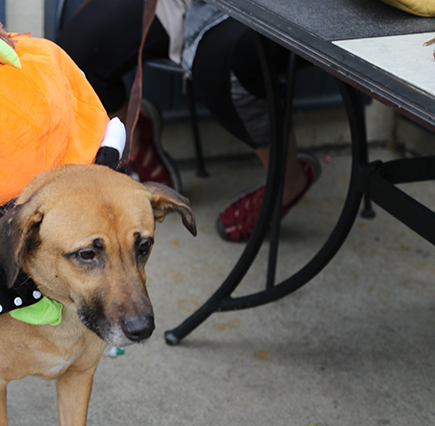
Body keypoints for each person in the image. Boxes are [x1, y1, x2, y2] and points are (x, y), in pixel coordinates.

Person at [56, 0, 321, 243]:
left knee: (221, 68)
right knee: (78, 49)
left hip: (280, 8)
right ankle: (135, 145)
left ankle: (289, 182)